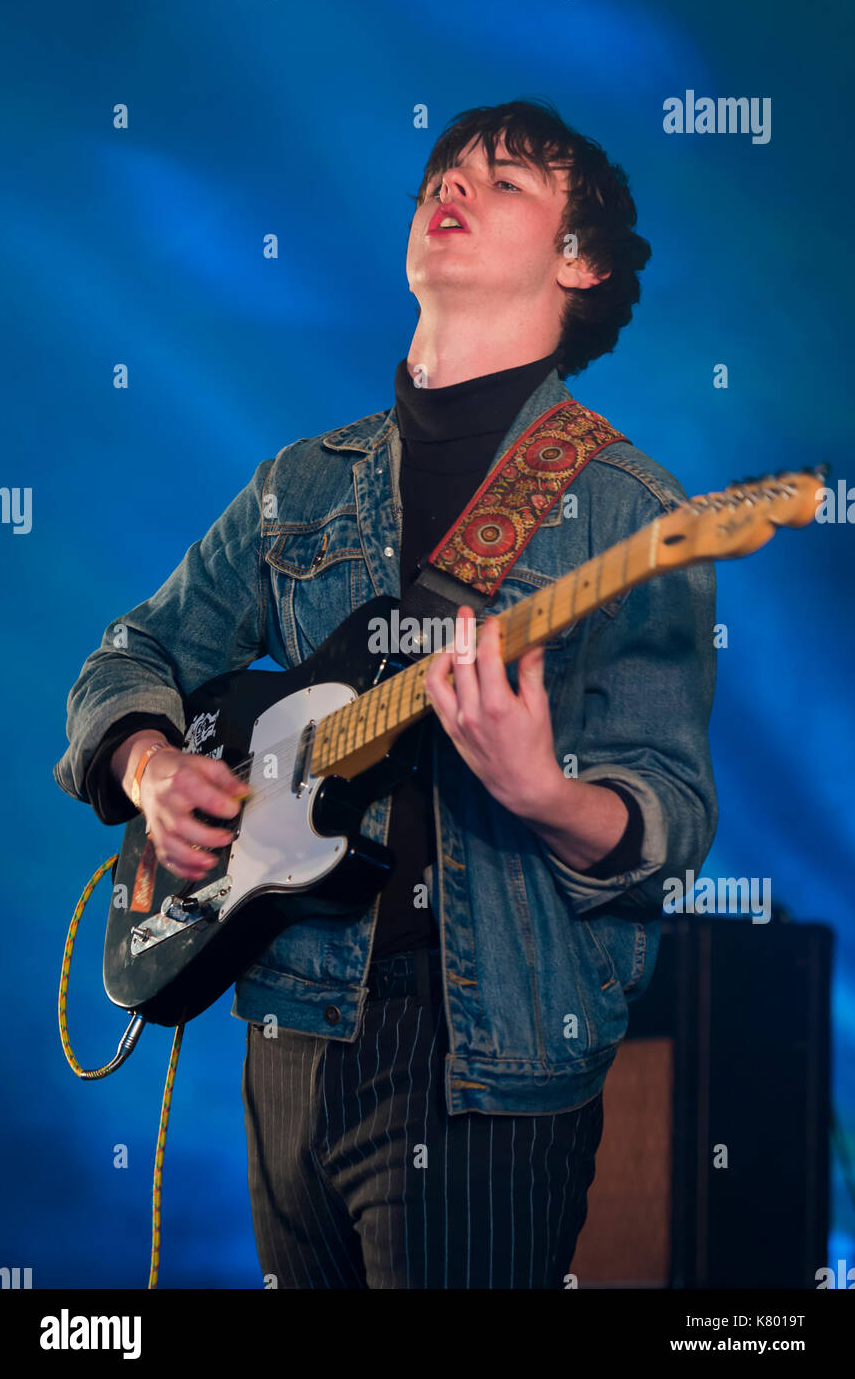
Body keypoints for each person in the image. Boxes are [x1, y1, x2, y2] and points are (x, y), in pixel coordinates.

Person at [54, 99, 718, 1289]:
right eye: (439, 173)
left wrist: (541, 790)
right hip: (291, 1035)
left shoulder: (633, 513)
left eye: (504, 181)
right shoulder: (300, 484)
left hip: (488, 1053)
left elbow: (669, 810)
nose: (451, 187)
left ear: (582, 261)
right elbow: (127, 657)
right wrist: (154, 767)